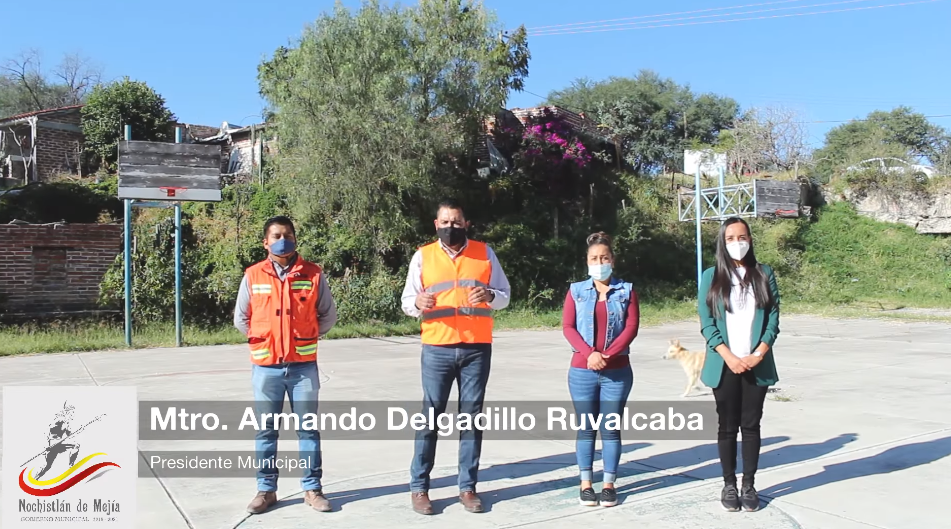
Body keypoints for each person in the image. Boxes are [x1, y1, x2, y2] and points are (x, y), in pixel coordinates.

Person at [400, 199, 512, 515]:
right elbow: (407, 301)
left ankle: (467, 488)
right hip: (437, 347)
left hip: (476, 348)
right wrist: (418, 302)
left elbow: (504, 295)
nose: (451, 227)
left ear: (467, 223)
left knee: (471, 419)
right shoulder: (423, 256)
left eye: (457, 221)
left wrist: (490, 295)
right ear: (436, 225)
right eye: (445, 222)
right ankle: (419, 488)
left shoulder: (484, 253)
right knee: (429, 419)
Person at [233, 215, 338, 515]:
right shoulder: (253, 275)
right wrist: (263, 341)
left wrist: (307, 335)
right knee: (266, 431)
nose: (283, 239)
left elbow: (327, 315)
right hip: (266, 368)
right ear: (265, 242)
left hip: (303, 367)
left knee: (308, 429)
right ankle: (266, 490)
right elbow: (242, 318)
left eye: (288, 234)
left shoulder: (313, 273)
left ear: (295, 238)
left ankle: (312, 489)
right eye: (276, 235)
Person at [697, 217, 780, 513]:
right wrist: (729, 356)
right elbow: (707, 323)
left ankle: (749, 484)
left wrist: (757, 354)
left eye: (742, 237)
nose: (737, 242)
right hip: (725, 365)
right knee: (727, 427)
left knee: (752, 425)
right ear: (722, 242)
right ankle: (729, 484)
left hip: (756, 363)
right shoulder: (711, 276)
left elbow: (773, 320)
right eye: (731, 238)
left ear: (750, 239)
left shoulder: (764, 273)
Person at [561, 232, 640, 507]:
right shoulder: (575, 291)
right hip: (582, 370)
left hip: (616, 372)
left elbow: (631, 328)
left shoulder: (627, 291)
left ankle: (608, 484)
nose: (599, 262)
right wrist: (589, 354)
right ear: (587, 261)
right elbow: (568, 327)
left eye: (604, 258)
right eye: (594, 258)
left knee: (610, 428)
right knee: (585, 428)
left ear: (613, 260)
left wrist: (607, 354)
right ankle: (585, 482)